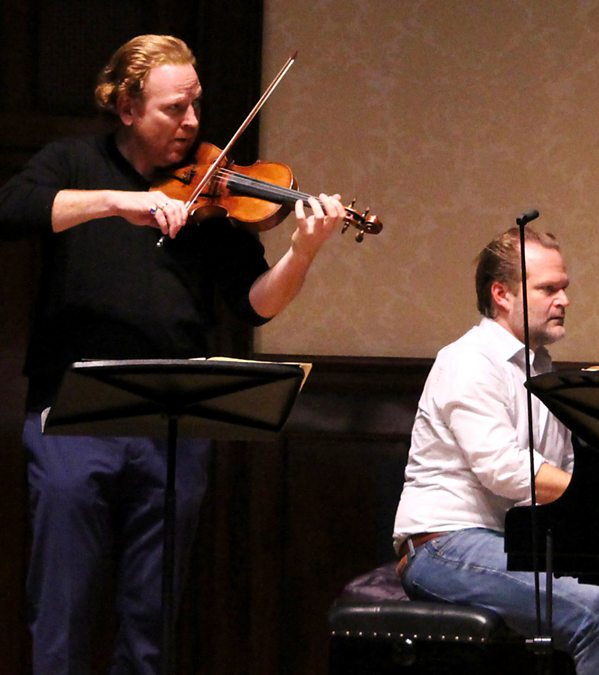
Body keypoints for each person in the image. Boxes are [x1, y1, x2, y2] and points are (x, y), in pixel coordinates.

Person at [0, 34, 347, 674]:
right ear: (127, 107)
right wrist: (119, 202)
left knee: (152, 616)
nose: (191, 122)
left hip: (173, 422)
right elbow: (12, 208)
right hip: (71, 417)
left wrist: (302, 253)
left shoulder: (213, 190)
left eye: (196, 105)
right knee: (62, 605)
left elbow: (254, 303)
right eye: (173, 108)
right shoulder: (72, 161)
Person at [392, 226, 599, 675]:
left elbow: (559, 472)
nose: (564, 300)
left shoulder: (541, 369)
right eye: (549, 289)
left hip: (510, 544)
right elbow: (505, 469)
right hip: (443, 548)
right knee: (598, 615)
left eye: (564, 288)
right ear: (502, 294)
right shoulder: (467, 360)